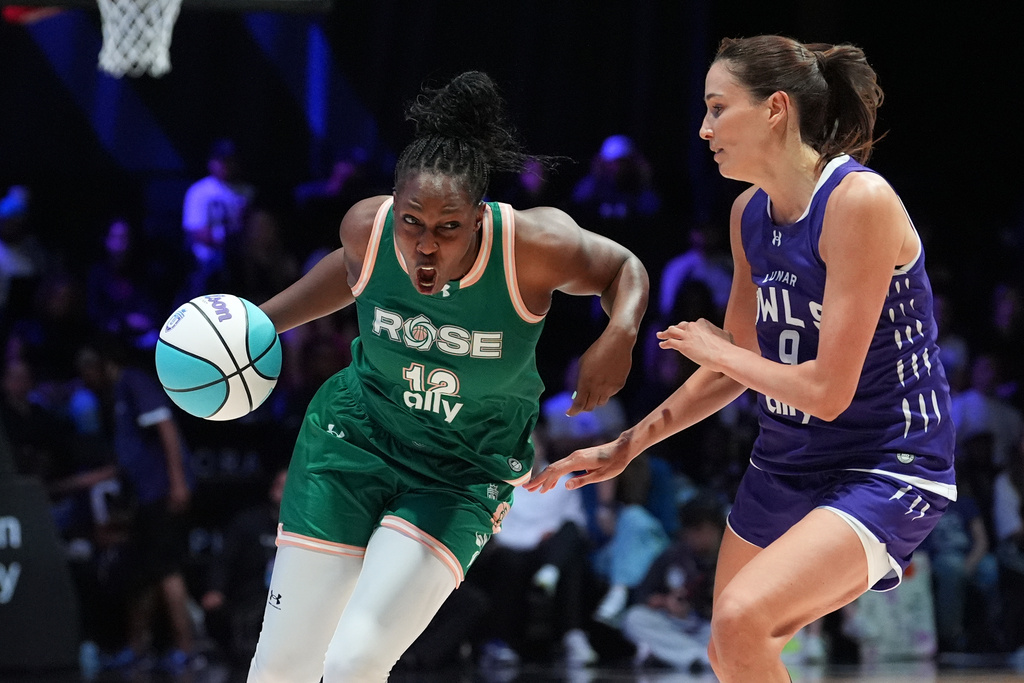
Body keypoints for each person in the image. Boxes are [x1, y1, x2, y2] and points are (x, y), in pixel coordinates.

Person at [527, 35, 956, 682]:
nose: (703, 129)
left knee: (739, 619)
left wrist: (713, 349)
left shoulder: (856, 202)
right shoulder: (747, 213)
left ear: (775, 108)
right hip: (786, 460)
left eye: (717, 108)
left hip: (886, 461)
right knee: (730, 647)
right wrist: (626, 445)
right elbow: (736, 366)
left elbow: (827, 390)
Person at [246, 70, 648, 682]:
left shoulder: (534, 245)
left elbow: (625, 267)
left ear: (480, 219)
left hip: (462, 473)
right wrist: (261, 324)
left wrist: (619, 334)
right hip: (353, 439)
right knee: (282, 666)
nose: (425, 246)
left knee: (354, 660)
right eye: (412, 223)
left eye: (447, 228)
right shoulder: (367, 226)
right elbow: (355, 269)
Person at [180, 138, 255, 299]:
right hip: (205, 260)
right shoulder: (199, 191)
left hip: (240, 258)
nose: (226, 165)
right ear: (211, 162)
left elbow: (254, 229)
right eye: (222, 160)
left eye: (231, 160)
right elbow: (195, 231)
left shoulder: (247, 190)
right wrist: (227, 237)